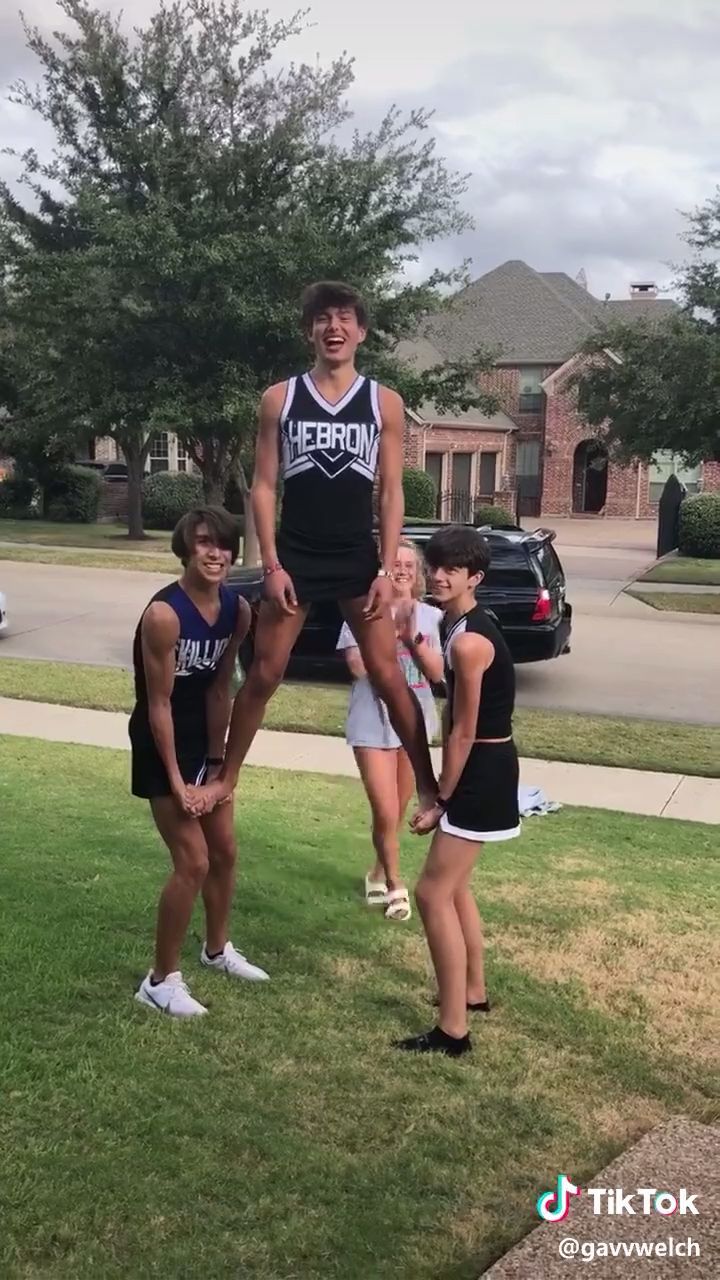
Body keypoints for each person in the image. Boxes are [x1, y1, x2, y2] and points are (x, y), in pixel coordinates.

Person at [200, 281, 437, 813]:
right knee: (264, 672)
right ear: (310, 330)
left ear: (362, 331)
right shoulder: (280, 399)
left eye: (345, 318)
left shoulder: (385, 403)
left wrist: (384, 567)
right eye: (323, 318)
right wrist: (272, 564)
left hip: (356, 555)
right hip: (297, 556)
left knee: (388, 673)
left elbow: (391, 490)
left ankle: (428, 785)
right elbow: (263, 486)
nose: (334, 327)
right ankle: (226, 777)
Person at [130, 506, 269, 1018]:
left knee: (225, 851)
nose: (216, 554)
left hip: (200, 740)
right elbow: (157, 704)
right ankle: (160, 981)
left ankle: (216, 950)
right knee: (193, 861)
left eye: (224, 545)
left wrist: (217, 765)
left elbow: (219, 687)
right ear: (187, 549)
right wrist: (177, 780)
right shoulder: (164, 615)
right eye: (206, 543)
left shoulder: (238, 610)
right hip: (157, 739)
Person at [394, 525, 520, 1057]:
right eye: (436, 565)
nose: (440, 575)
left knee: (430, 893)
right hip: (487, 763)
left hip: (482, 767)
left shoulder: (469, 639)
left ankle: (452, 1031)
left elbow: (462, 727)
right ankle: (472, 992)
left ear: (476, 577)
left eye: (453, 569)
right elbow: (446, 681)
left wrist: (440, 799)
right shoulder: (457, 624)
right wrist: (409, 642)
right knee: (456, 887)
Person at [337, 539, 444, 922]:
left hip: (414, 722)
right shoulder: (363, 613)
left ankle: (378, 873)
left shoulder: (432, 618)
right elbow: (357, 667)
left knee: (397, 810)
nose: (401, 570)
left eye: (408, 566)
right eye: (394, 564)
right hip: (371, 721)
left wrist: (410, 638)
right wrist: (385, 636)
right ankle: (397, 887)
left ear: (418, 575)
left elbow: (436, 674)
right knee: (384, 809)